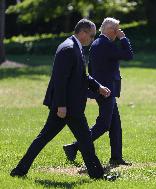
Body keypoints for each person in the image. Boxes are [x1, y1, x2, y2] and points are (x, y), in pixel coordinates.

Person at [10, 19, 113, 180]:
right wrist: (61, 105)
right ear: (83, 33)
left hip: (69, 106)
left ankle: (19, 170)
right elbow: (60, 81)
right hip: (68, 107)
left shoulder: (74, 47)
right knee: (85, 142)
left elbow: (82, 75)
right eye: (92, 36)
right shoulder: (68, 49)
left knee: (45, 138)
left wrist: (98, 87)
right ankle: (98, 176)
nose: (93, 39)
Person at [63, 17, 133, 166]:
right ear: (111, 30)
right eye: (117, 29)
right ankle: (74, 147)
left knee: (115, 125)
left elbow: (92, 69)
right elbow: (128, 55)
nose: (119, 32)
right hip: (105, 91)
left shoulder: (97, 43)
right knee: (104, 125)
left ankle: (116, 157)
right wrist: (123, 38)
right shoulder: (105, 44)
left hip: (105, 90)